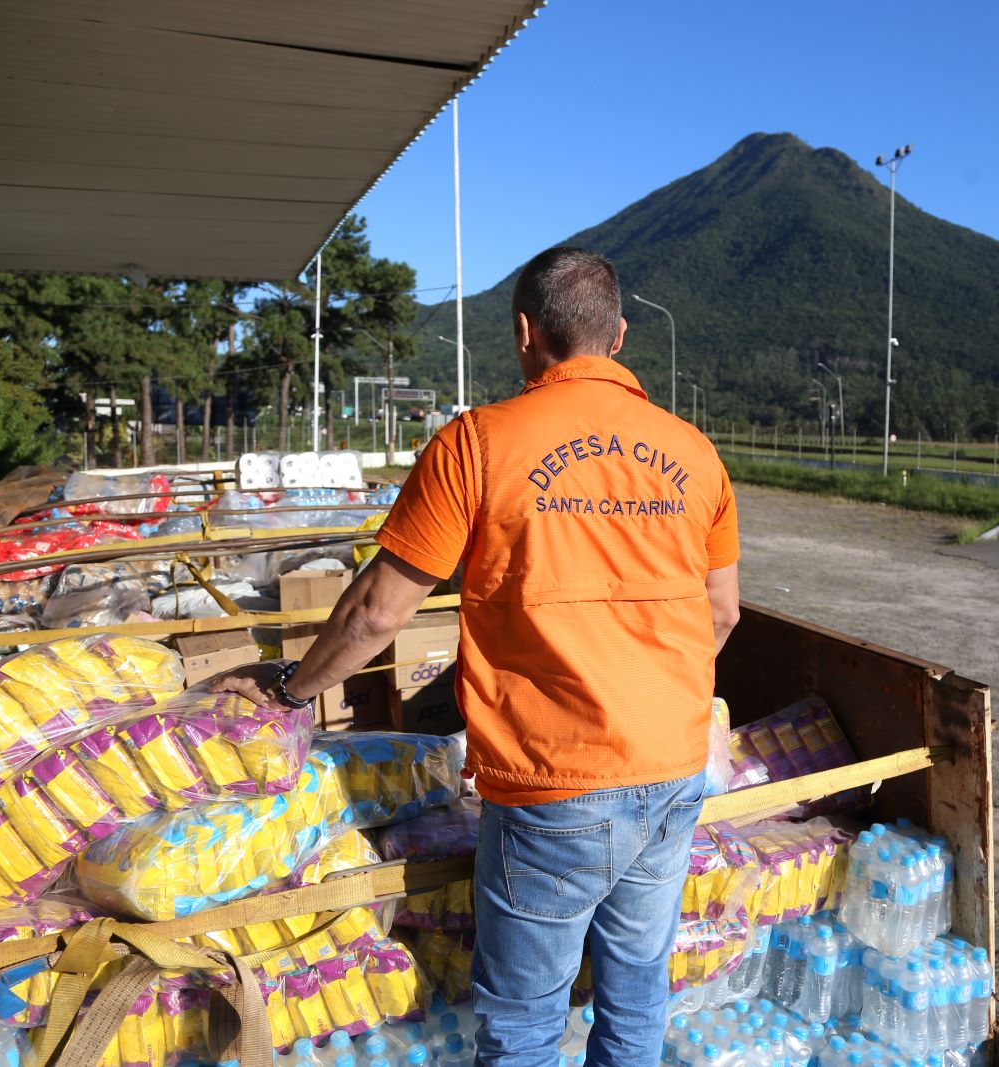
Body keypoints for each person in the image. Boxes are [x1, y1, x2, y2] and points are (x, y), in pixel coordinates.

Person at [215, 246, 740, 1066]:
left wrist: (287, 689)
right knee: (637, 994)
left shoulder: (478, 444)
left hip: (553, 783)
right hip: (674, 771)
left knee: (525, 1024)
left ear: (525, 333)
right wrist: (647, 689)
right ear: (622, 336)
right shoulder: (695, 452)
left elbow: (374, 613)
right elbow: (722, 610)